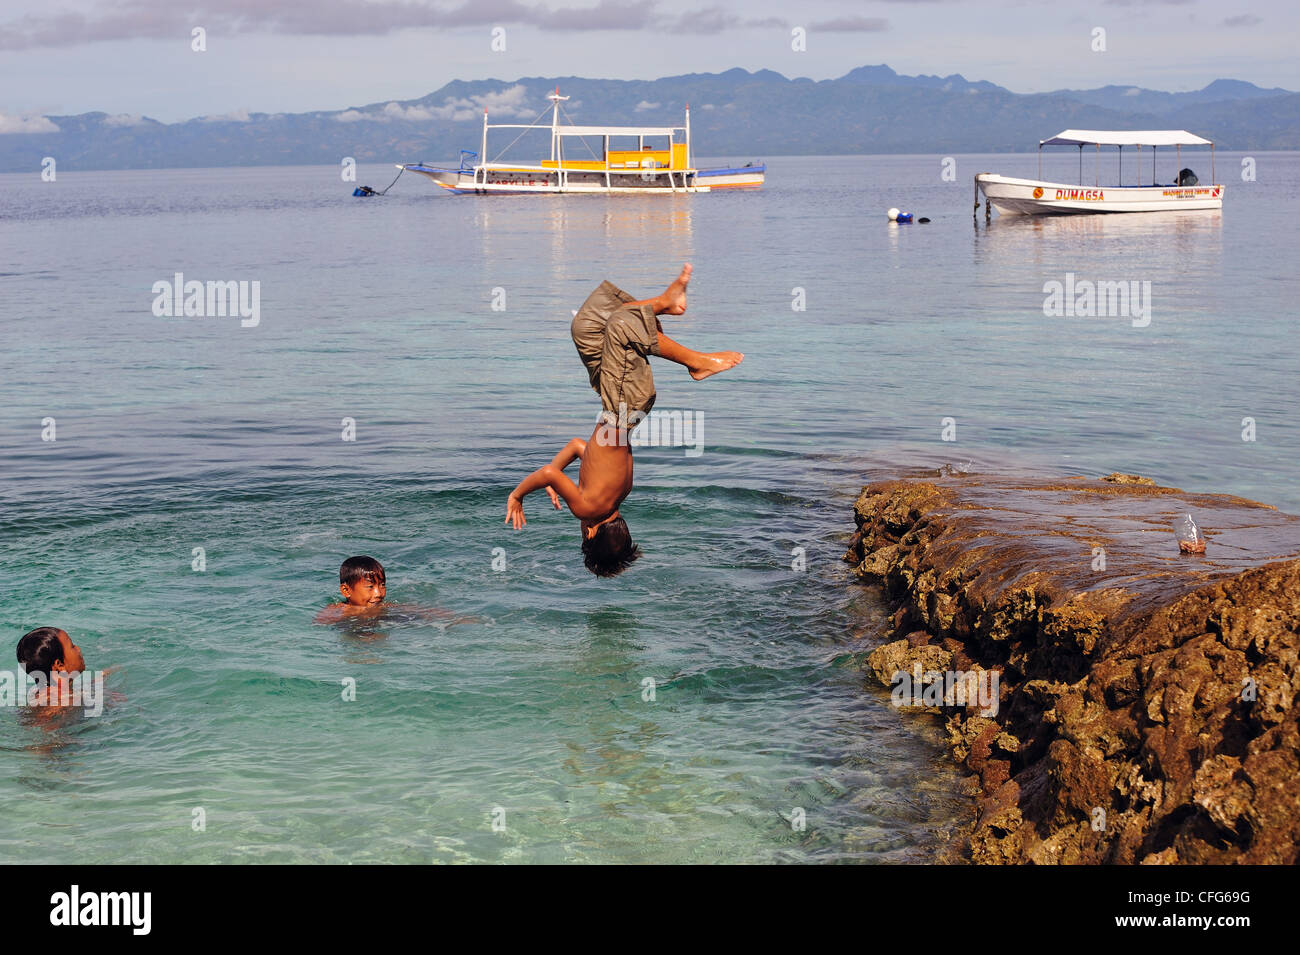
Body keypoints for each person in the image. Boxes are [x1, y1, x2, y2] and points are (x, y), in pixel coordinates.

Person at [505, 264, 743, 577]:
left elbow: (580, 447)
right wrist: (518, 495)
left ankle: (655, 323)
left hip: (620, 405)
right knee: (620, 326)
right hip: (623, 407)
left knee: (587, 328)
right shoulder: (587, 508)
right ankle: (695, 360)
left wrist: (559, 475)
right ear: (589, 533)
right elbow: (548, 473)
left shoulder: (613, 495)